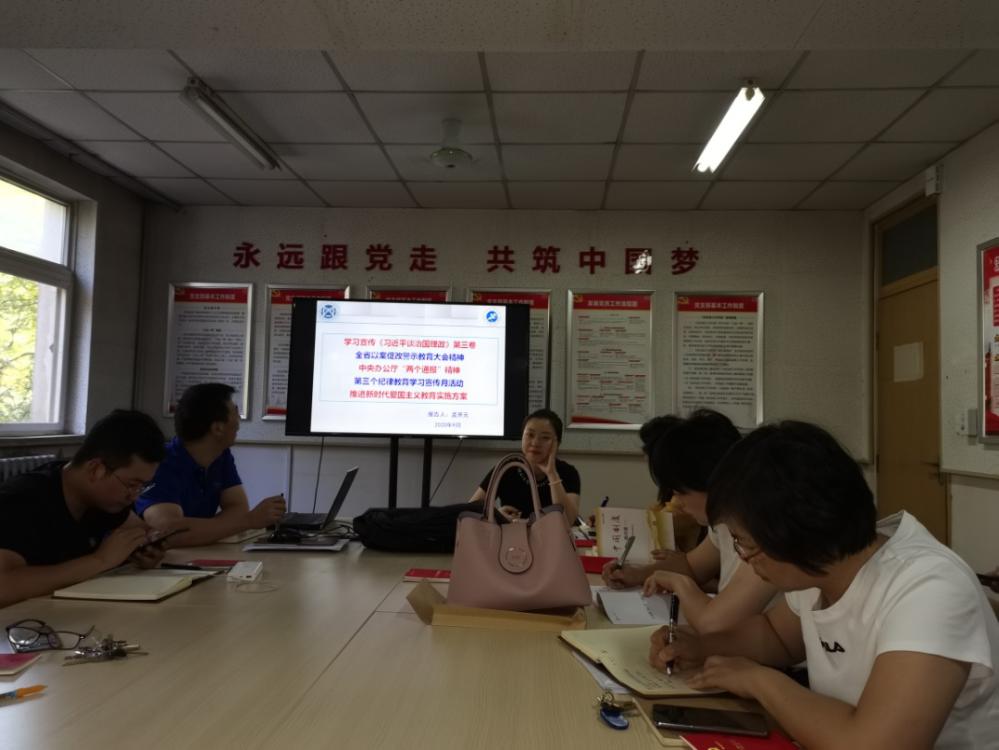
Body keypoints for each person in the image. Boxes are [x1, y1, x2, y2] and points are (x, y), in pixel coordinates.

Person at [650, 421, 999, 748]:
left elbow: (874, 744)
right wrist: (701, 647)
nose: (743, 557)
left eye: (745, 544)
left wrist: (759, 681)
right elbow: (775, 636)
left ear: (792, 533)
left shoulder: (928, 588)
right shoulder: (821, 568)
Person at [602, 409, 777, 634]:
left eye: (680, 492)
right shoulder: (723, 521)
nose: (678, 502)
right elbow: (692, 567)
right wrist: (637, 574)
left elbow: (714, 623)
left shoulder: (765, 536)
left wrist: (679, 584)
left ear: (710, 481)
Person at [0, 409, 169, 607]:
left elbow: (142, 531)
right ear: (95, 469)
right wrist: (100, 560)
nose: (134, 496)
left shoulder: (103, 501)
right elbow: (4, 586)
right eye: (132, 484)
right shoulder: (22, 500)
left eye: (142, 487)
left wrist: (145, 550)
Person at [136, 383, 286, 546]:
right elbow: (169, 533)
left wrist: (198, 530)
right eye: (235, 411)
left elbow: (238, 509)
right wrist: (248, 521)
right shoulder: (159, 463)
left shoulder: (221, 455)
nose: (238, 421)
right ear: (218, 428)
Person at [468, 408, 580, 522]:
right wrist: (496, 514)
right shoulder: (507, 467)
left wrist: (552, 474)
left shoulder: (568, 472)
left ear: (557, 443)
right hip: (513, 532)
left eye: (545, 438)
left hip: (552, 533)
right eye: (530, 435)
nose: (535, 443)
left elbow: (568, 520)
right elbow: (471, 510)